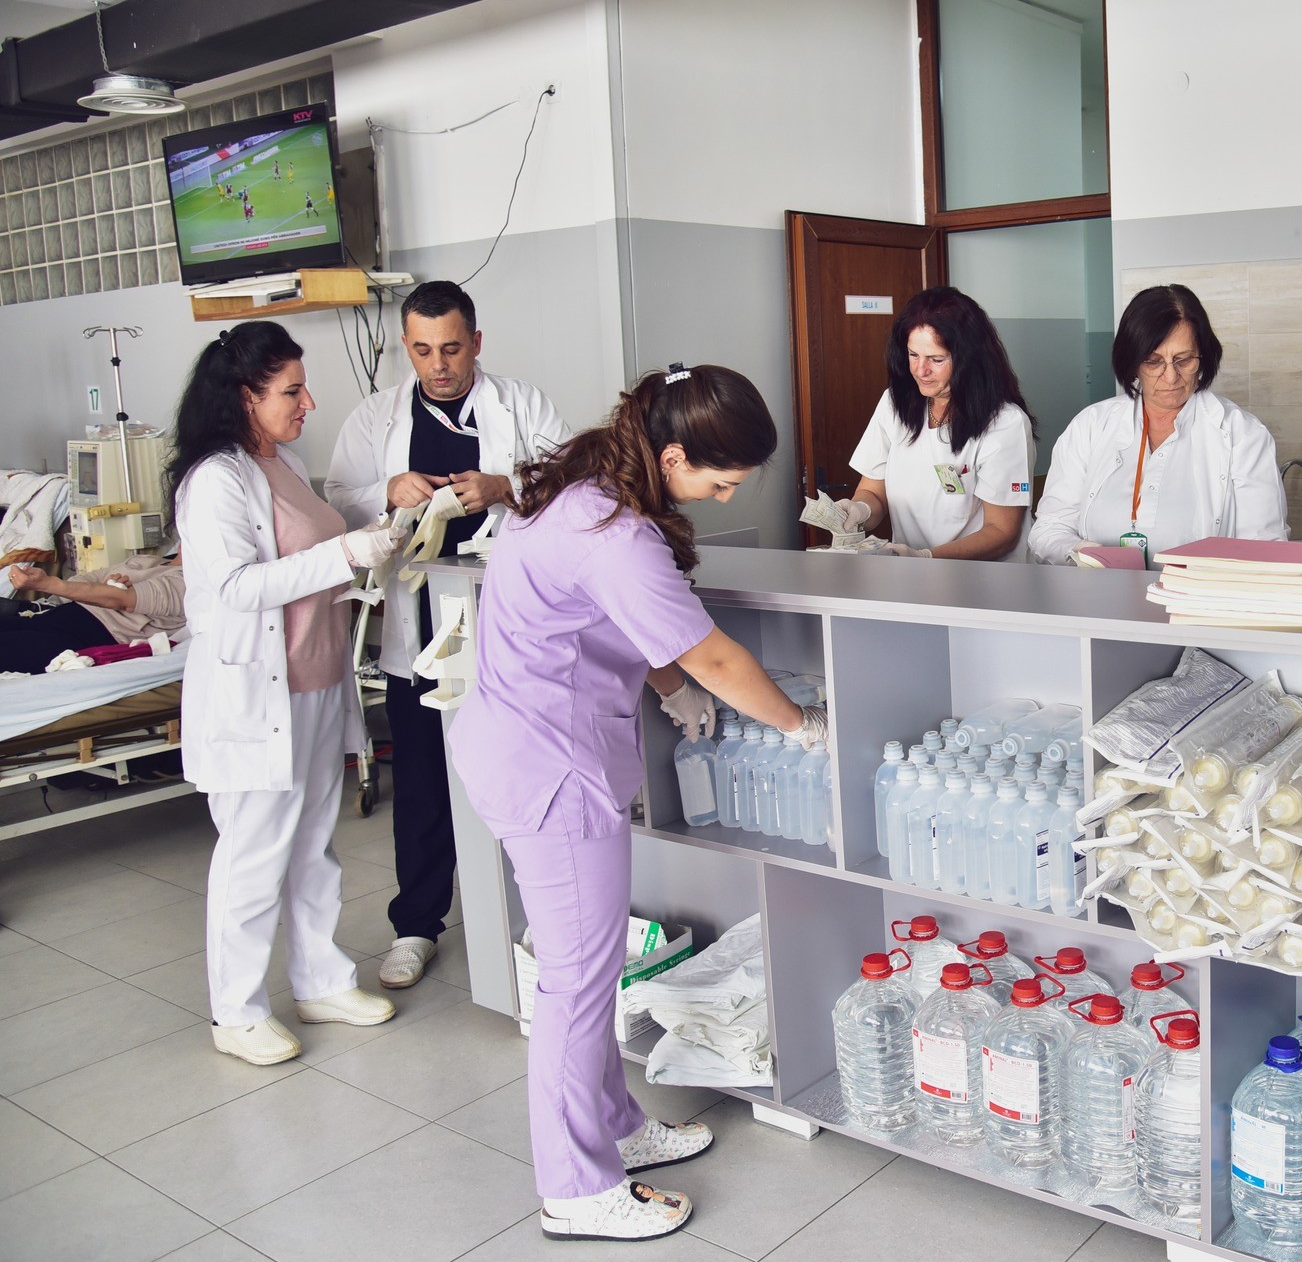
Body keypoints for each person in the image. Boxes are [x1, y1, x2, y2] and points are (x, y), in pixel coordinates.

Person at [449, 363, 826, 1242]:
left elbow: (620, 623)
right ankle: (577, 1188)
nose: (725, 498)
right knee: (576, 982)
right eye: (721, 481)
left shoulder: (584, 493)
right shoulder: (617, 535)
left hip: (529, 749)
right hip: (550, 773)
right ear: (673, 455)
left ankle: (616, 1127)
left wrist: (667, 686)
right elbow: (715, 657)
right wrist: (799, 722)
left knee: (586, 968)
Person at [168, 321, 412, 1067]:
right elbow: (238, 586)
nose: (308, 402)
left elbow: (313, 549)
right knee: (254, 854)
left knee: (312, 845)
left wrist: (379, 533)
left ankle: (321, 981)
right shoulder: (215, 479)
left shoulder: (285, 462)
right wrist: (346, 551)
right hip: (256, 696)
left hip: (316, 682)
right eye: (292, 390)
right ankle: (237, 1013)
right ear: (245, 396)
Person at [327, 280, 568, 991]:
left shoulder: (522, 404)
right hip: (421, 624)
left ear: (477, 343)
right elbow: (338, 502)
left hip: (508, 621)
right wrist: (386, 492)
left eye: (453, 349)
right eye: (424, 350)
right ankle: (416, 925)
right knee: (423, 782)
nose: (439, 365)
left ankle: (539, 920)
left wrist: (504, 486)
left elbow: (572, 483)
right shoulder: (375, 418)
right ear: (407, 347)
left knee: (520, 777)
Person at [1030, 283, 1286, 565]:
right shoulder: (1091, 426)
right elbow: (1049, 528)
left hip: (1197, 593)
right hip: (1100, 591)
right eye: (1153, 362)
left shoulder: (1242, 434)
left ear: (1203, 358)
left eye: (1183, 360)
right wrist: (1082, 554)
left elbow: (1264, 548)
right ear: (1132, 363)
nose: (1171, 377)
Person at [822, 287, 1035, 560]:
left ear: (970, 360)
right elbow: (873, 491)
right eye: (913, 355)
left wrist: (926, 557)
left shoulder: (1005, 423)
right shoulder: (894, 404)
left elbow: (1002, 532)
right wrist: (859, 509)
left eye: (936, 359)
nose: (921, 370)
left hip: (982, 578)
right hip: (912, 573)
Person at [1, 553, 185, 673]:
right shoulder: (148, 560)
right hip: (54, 618)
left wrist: (47, 583)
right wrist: (101, 590)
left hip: (85, 640)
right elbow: (83, 580)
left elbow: (122, 600)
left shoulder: (186, 582)